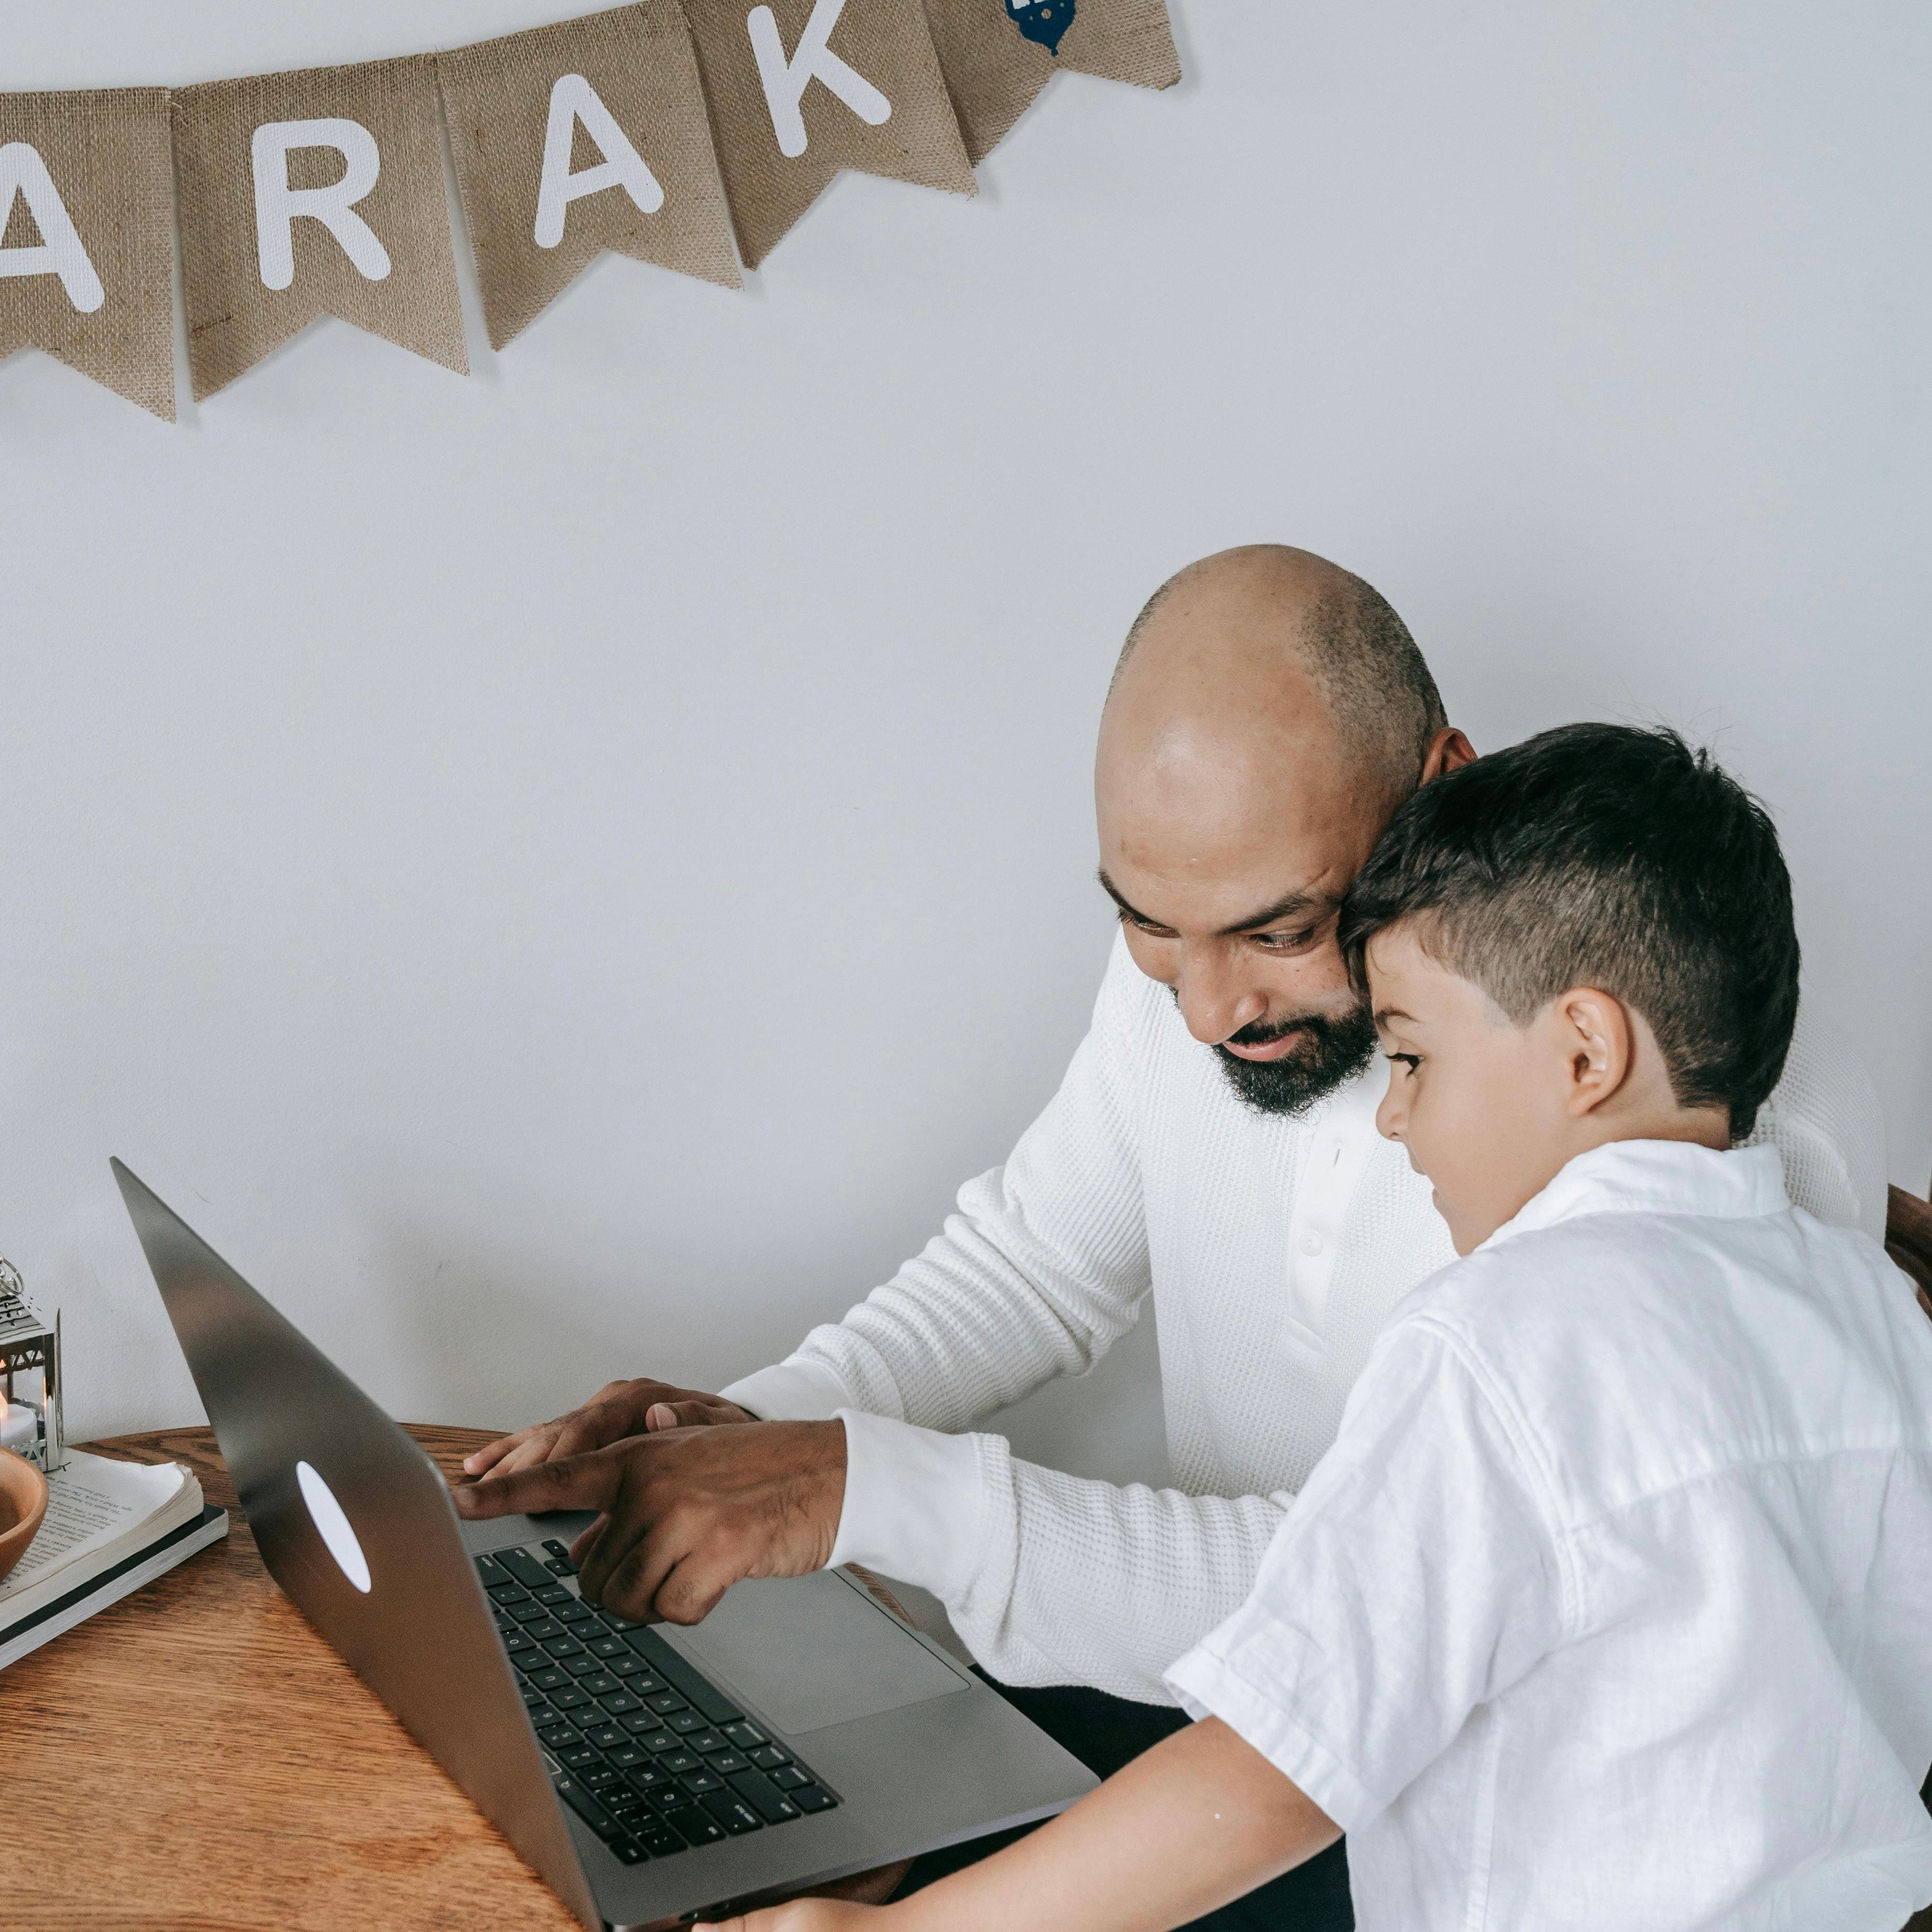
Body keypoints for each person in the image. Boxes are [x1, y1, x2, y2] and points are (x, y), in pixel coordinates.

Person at [455, 550, 1887, 1927]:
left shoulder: (1657, 1173)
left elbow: (1344, 1656)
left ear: (1436, 789)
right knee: (738, 1814)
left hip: (1410, 1803)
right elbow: (1036, 1260)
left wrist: (867, 1493)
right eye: (1148, 925)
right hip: (1237, 1719)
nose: (1204, 1007)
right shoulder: (1262, 963)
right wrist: (732, 1443)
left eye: (1277, 931)